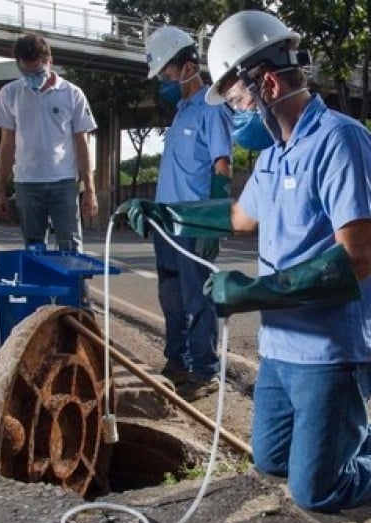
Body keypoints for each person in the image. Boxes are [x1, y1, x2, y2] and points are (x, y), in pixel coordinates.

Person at [126, 11, 371, 523]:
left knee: (317, 489)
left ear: (266, 82)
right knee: (271, 460)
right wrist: (167, 213)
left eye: (235, 98)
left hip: (333, 351)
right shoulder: (274, 156)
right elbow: (236, 217)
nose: (235, 111)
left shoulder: (342, 143)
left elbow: (358, 258)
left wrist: (253, 290)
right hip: (281, 349)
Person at [142, 25, 232, 399]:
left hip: (194, 221)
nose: (163, 80)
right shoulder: (180, 112)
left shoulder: (212, 110)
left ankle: (205, 370)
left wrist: (214, 223)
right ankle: (176, 361)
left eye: (166, 72)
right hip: (167, 222)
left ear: (188, 66)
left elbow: (222, 167)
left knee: (198, 298)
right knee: (172, 297)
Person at [0, 33, 97, 252]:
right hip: (27, 183)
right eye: (26, 72)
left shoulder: (72, 94)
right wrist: (0, 189)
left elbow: (82, 144)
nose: (32, 77)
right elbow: (6, 145)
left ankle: (74, 287)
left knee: (70, 246)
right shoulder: (9, 94)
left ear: (50, 61)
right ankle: (41, 287)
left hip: (64, 181)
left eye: (37, 72)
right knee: (33, 247)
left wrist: (90, 189)